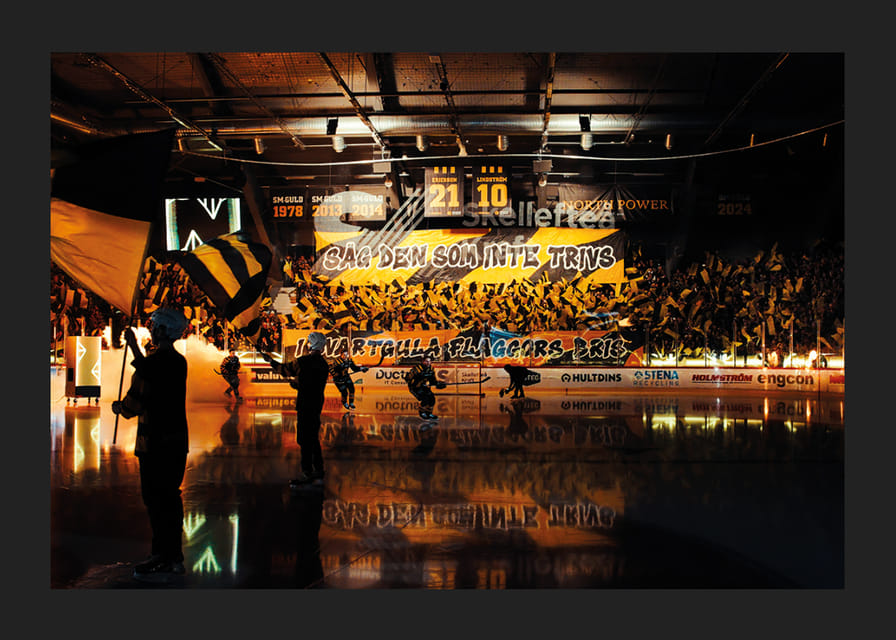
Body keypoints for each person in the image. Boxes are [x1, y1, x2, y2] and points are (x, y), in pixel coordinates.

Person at [111, 307, 190, 583]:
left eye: (155, 327)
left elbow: (137, 396)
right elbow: (149, 371)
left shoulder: (159, 363)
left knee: (157, 501)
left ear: (163, 331)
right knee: (169, 498)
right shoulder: (178, 362)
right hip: (177, 444)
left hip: (156, 444)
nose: (152, 331)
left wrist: (120, 408)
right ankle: (173, 556)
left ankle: (162, 557)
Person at [260, 331, 330, 488]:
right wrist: (298, 384)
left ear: (311, 344)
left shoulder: (303, 361)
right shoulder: (324, 365)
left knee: (304, 439)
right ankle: (318, 470)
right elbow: (314, 384)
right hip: (316, 404)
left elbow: (285, 370)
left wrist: (270, 361)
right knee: (313, 437)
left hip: (305, 404)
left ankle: (307, 473)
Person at [404, 356, 446, 420]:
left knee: (432, 399)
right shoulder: (417, 369)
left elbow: (433, 381)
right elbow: (408, 379)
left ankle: (429, 413)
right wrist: (418, 382)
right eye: (426, 361)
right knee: (425, 399)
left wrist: (438, 384)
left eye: (429, 361)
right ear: (422, 361)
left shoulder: (431, 369)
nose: (428, 363)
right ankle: (422, 413)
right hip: (415, 387)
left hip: (424, 387)